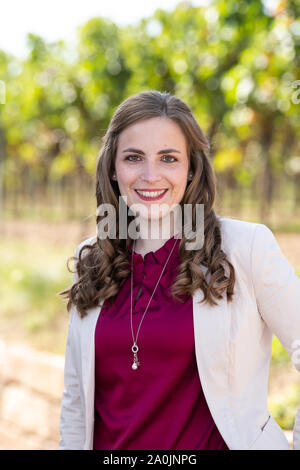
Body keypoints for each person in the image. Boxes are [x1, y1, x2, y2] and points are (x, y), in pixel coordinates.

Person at [58, 90, 300, 450]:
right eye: (134, 157)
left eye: (168, 158)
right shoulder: (91, 259)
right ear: (113, 167)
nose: (150, 175)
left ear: (191, 169)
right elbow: (77, 403)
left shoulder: (245, 247)